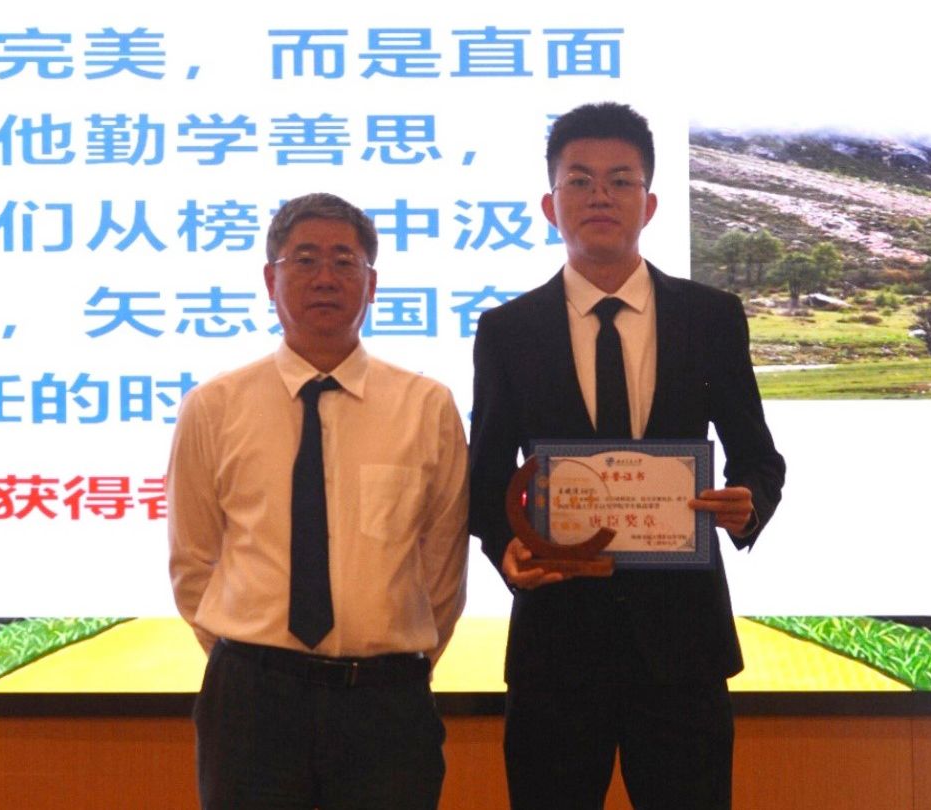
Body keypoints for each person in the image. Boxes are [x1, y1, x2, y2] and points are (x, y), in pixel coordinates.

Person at [469, 103, 786, 809]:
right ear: (550, 204)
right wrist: (504, 548)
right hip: (556, 649)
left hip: (683, 652)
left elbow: (759, 460)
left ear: (650, 203)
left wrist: (748, 504)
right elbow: (485, 476)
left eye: (621, 180)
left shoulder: (711, 317)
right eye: (580, 181)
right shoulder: (508, 330)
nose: (601, 197)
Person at [167, 192, 469, 810]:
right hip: (253, 702)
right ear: (270, 280)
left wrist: (390, 661)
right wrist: (255, 666)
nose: (325, 278)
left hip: (385, 703)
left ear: (372, 283)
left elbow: (443, 567)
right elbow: (193, 561)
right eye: (304, 260)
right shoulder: (214, 406)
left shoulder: (426, 406)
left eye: (344, 262)